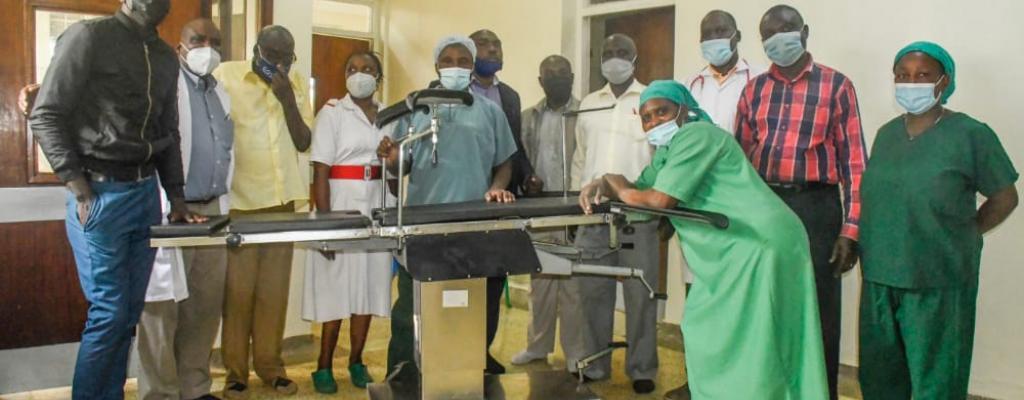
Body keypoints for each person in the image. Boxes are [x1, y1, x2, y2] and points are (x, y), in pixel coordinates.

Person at [580, 79, 828, 399]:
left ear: (684, 110)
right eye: (646, 117)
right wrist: (603, 182)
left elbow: (656, 201)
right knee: (713, 327)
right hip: (734, 248)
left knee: (760, 335)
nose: (654, 121)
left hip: (760, 244)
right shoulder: (669, 151)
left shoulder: (699, 135)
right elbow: (640, 193)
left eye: (662, 112)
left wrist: (615, 184)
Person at [28, 1, 206, 398]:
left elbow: (168, 131)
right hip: (99, 193)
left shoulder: (162, 55)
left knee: (127, 314)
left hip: (145, 195)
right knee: (109, 314)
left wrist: (175, 196)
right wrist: (78, 185)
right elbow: (46, 114)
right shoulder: (89, 37)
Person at [858, 42, 1019, 400]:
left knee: (937, 381)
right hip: (881, 277)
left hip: (938, 278)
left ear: (943, 81)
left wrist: (966, 232)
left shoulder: (970, 134)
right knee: (881, 378)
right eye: (902, 75)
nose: (910, 82)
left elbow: (1005, 197)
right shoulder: (886, 134)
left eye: (922, 75)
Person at [734, 6, 868, 398]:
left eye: (787, 28)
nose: (778, 37)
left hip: (816, 209)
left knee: (818, 311)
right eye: (768, 33)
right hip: (764, 208)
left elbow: (855, 163)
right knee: (765, 307)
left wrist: (851, 230)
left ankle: (818, 392)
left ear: (805, 31)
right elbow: (739, 163)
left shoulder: (836, 86)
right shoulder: (754, 90)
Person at [378, 34, 518, 382]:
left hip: (473, 222)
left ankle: (464, 376)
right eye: (447, 60)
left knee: (468, 305)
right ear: (436, 66)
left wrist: (497, 189)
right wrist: (393, 158)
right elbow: (401, 166)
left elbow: (505, 162)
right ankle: (402, 376)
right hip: (423, 222)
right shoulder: (416, 110)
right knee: (411, 307)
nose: (455, 66)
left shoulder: (489, 111)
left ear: (472, 68)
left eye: (462, 61)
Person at [212, 25, 314, 399]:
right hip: (239, 200)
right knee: (238, 292)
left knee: (274, 292)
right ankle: (235, 372)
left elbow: (304, 141)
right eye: (272, 55)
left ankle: (271, 367)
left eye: (286, 57)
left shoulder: (295, 82)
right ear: (257, 50)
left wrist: (286, 96)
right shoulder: (227, 74)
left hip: (282, 201)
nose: (279, 63)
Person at [134, 18, 233, 400]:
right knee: (161, 311)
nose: (206, 47)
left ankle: (195, 388)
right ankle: (159, 393)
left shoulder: (220, 92)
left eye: (214, 41)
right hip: (171, 209)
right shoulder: (163, 83)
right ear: (180, 44)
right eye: (198, 39)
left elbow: (224, 152)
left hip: (212, 212)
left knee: (203, 309)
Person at [570, 33, 658, 394]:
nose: (615, 59)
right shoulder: (590, 103)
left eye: (623, 52)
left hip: (638, 214)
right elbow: (580, 158)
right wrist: (577, 209)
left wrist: (662, 212)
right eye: (608, 53)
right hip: (594, 215)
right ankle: (595, 364)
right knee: (592, 293)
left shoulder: (653, 100)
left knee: (641, 295)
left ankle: (641, 368)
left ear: (635, 58)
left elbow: (662, 158)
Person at [304, 51, 392, 394]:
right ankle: (323, 365)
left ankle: (356, 360)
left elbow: (397, 168)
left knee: (368, 286)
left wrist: (392, 157)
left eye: (368, 69)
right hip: (340, 203)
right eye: (352, 69)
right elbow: (320, 170)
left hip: (377, 202)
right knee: (334, 288)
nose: (360, 74)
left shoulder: (389, 115)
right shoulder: (331, 113)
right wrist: (326, 228)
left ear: (378, 77)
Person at [509, 55, 585, 372]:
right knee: (540, 282)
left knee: (573, 285)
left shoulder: (585, 114)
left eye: (562, 73)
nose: (557, 79)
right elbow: (519, 159)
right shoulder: (528, 117)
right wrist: (527, 181)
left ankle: (575, 354)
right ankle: (537, 346)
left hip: (574, 210)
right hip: (539, 210)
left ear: (572, 76)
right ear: (540, 81)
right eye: (549, 75)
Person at [468, 28, 537, 374]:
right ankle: (454, 352)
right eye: (485, 44)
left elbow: (513, 146)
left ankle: (481, 352)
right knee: (459, 279)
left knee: (494, 280)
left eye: (498, 43)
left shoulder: (509, 96)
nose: (493, 49)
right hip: (460, 199)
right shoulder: (450, 91)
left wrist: (528, 176)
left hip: (500, 197)